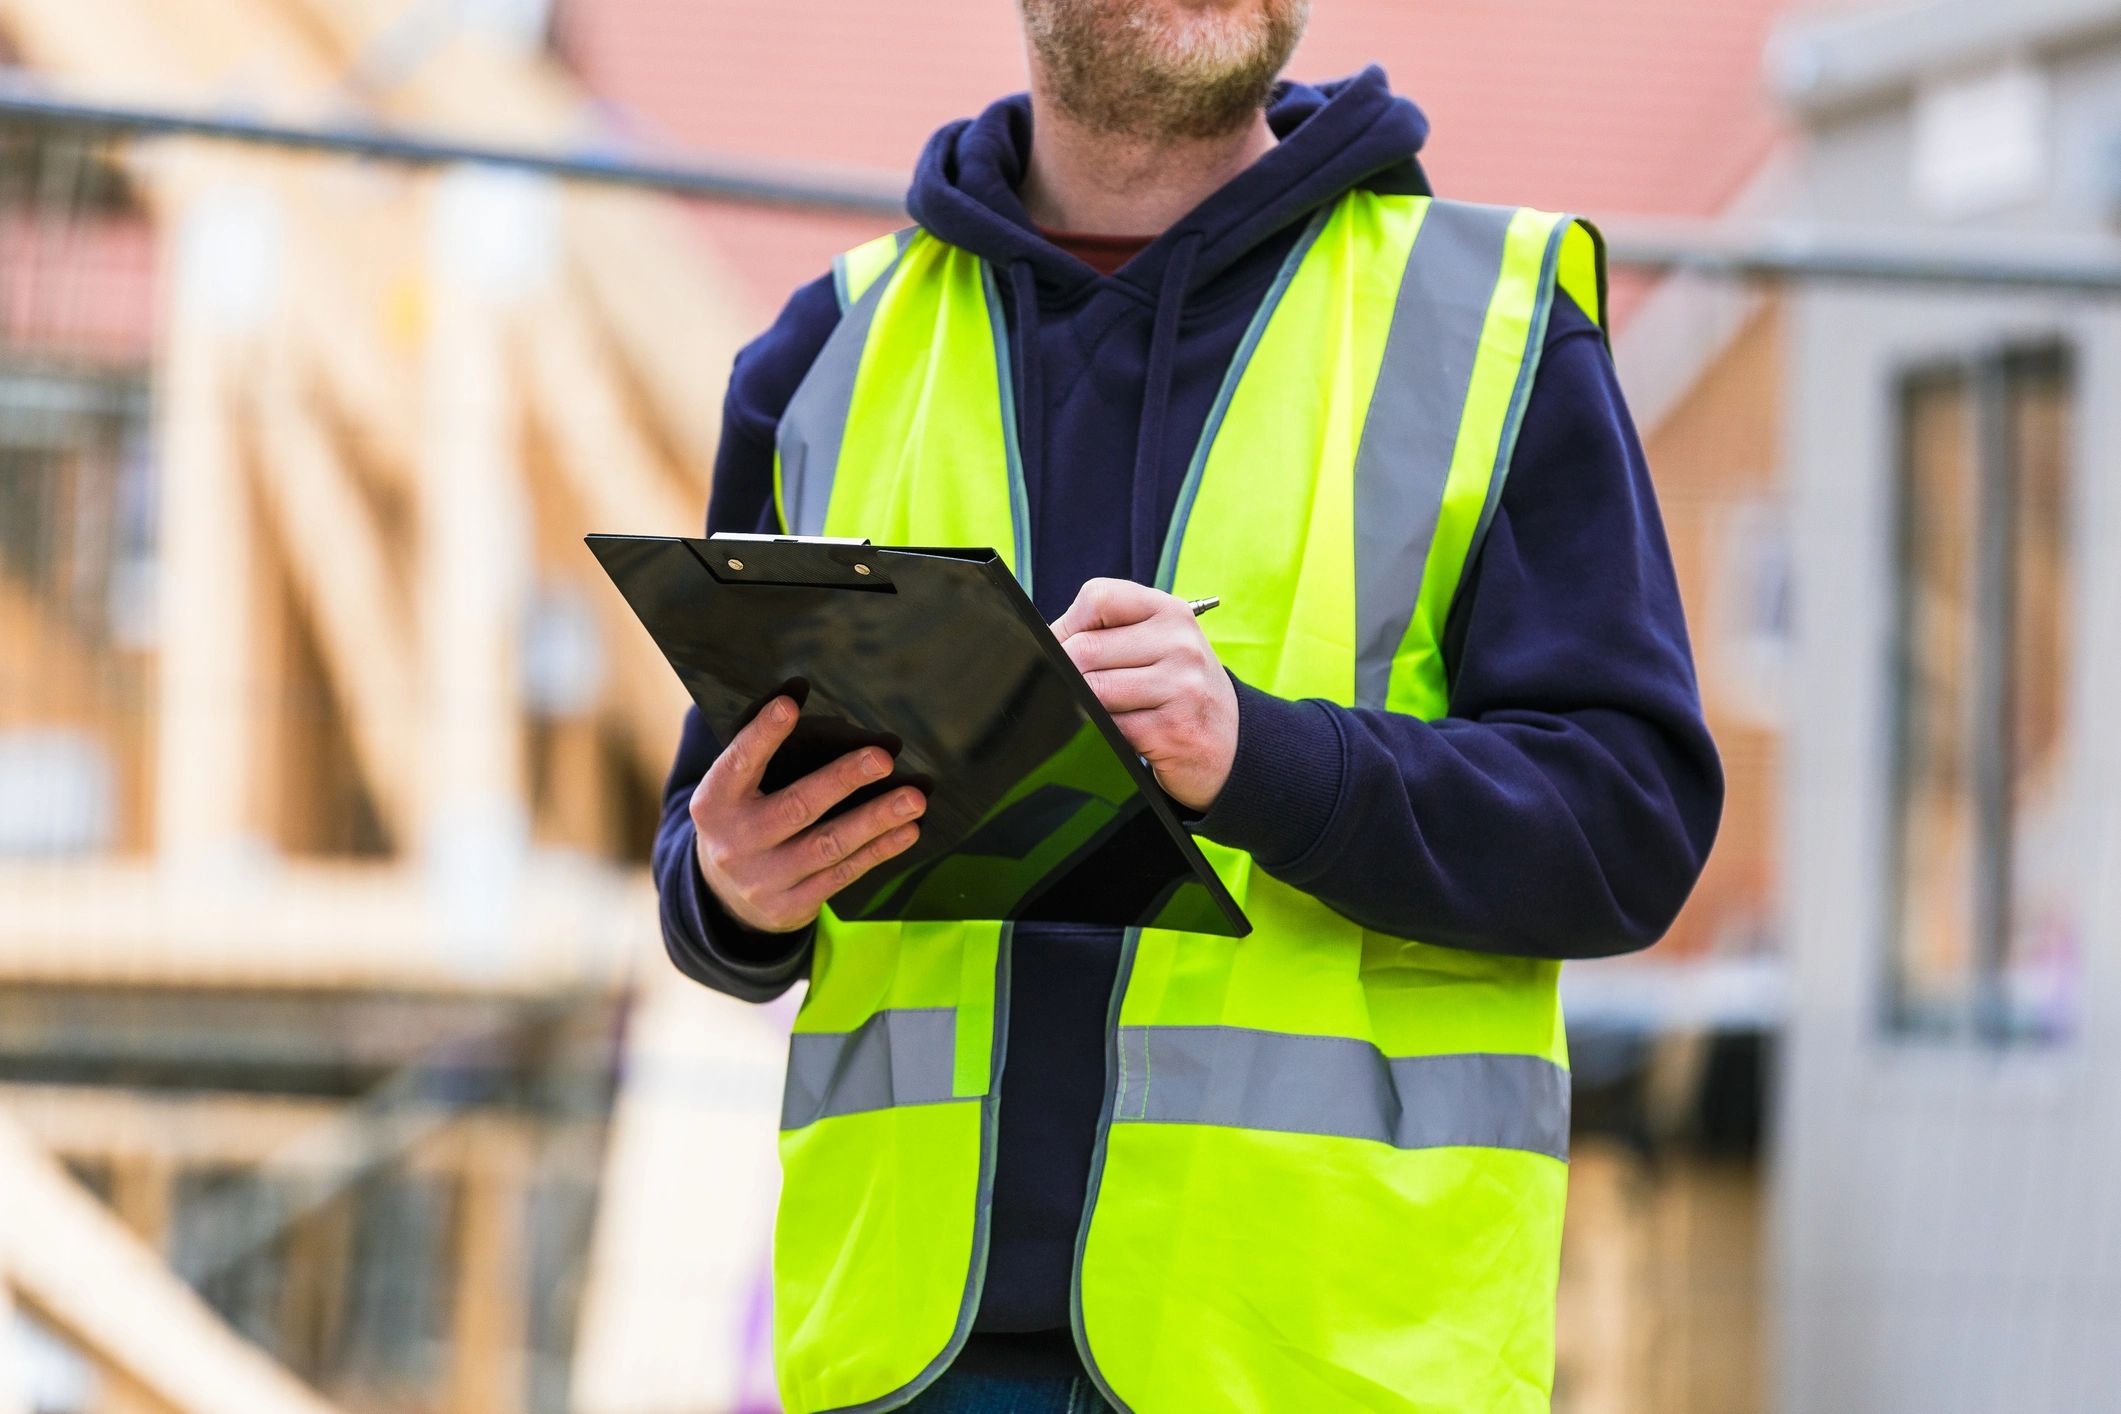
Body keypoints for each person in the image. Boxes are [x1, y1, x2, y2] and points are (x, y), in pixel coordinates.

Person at [653, 1, 1723, 1409]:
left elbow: (1626, 829)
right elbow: (705, 859)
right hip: (918, 1354)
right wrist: (732, 885)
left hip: (1323, 1357)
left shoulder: (1492, 322)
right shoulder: (825, 363)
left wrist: (1266, 758)